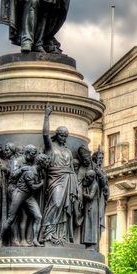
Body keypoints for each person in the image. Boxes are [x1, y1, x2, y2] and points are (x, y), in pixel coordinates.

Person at [39, 104, 81, 245]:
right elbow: (45, 134)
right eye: (61, 135)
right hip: (55, 179)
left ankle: (59, 234)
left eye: (66, 136)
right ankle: (47, 232)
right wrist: (46, 116)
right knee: (55, 203)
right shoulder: (51, 147)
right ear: (56, 135)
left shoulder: (68, 151)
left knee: (63, 208)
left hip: (68, 179)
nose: (64, 138)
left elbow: (71, 168)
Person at [4, 144, 45, 246]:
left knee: (25, 216)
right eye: (32, 154)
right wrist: (22, 169)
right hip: (14, 189)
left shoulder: (32, 162)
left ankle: (24, 240)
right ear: (26, 153)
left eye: (35, 154)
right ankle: (9, 240)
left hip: (26, 193)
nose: (34, 156)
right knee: (13, 217)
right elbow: (12, 176)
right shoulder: (17, 161)